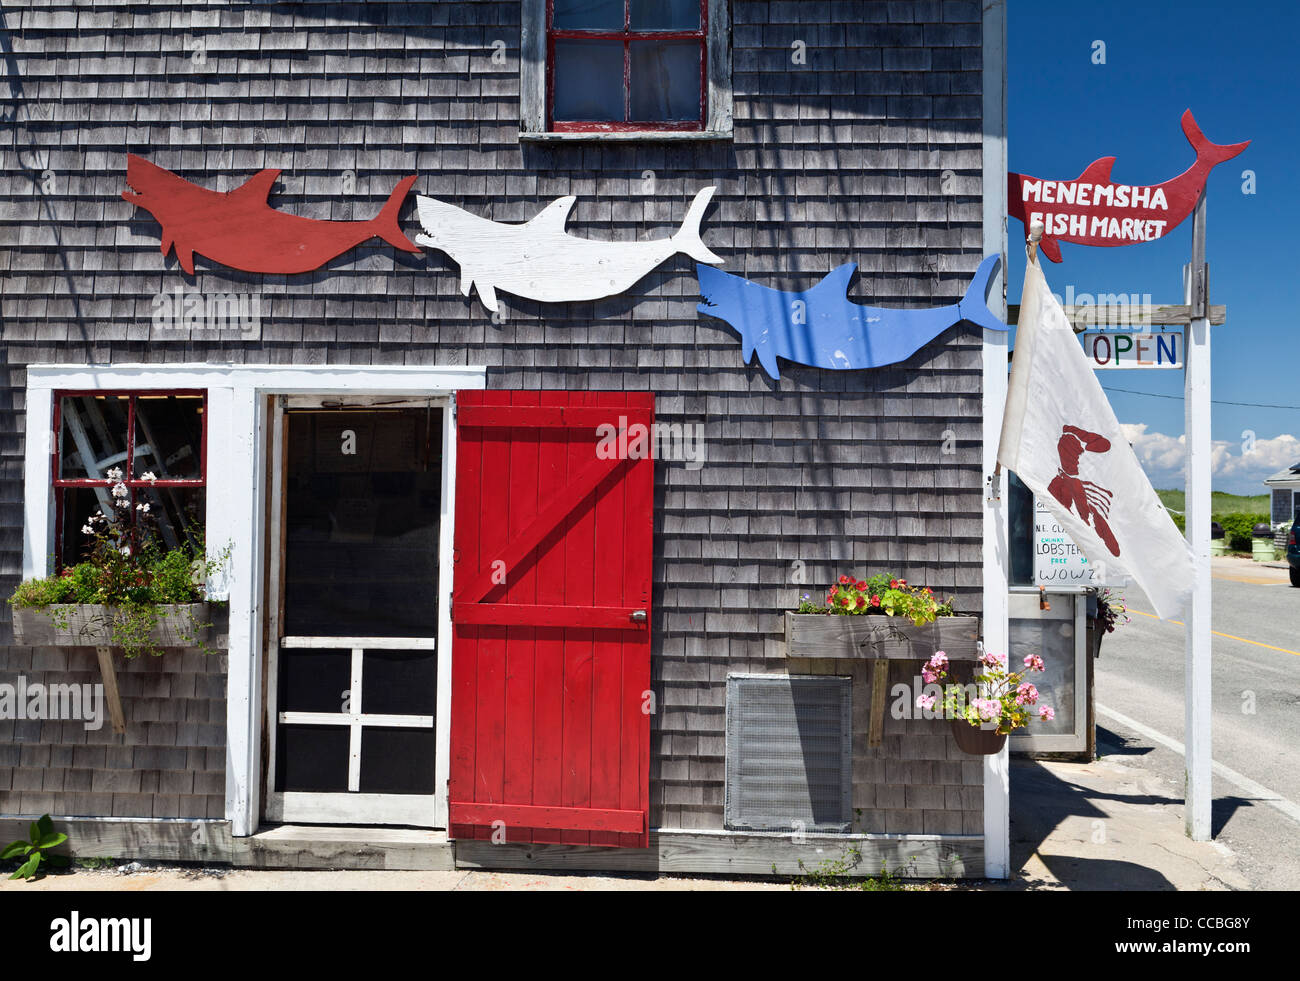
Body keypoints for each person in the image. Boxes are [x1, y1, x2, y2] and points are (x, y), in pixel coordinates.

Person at [1047, 424, 1120, 556]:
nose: (1078, 461)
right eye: (1076, 455)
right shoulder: (1059, 484)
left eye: (1078, 455)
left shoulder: (1076, 483)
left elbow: (1105, 444)